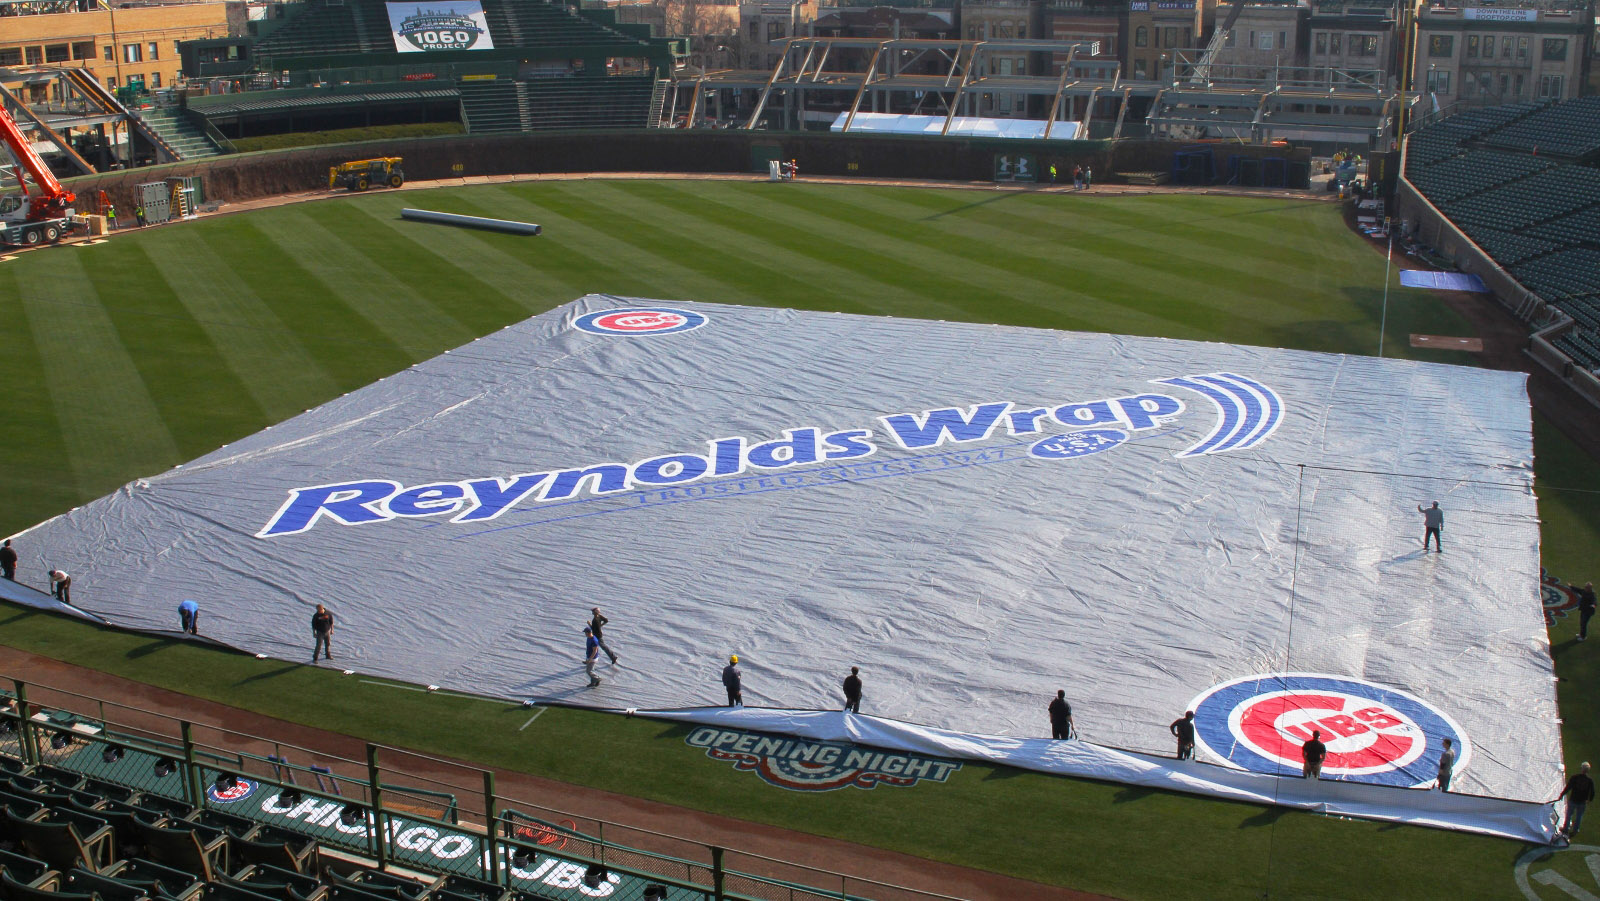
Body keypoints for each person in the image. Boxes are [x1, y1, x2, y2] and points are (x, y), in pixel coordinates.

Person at [1558, 762, 1595, 839]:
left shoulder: (1575, 777)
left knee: (1569, 815)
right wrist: (1589, 800)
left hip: (1573, 800)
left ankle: (1566, 829)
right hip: (1582, 802)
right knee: (1579, 816)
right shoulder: (1589, 780)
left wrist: (1562, 794)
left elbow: (1568, 787)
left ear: (1581, 768)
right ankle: (1575, 830)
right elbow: (1592, 792)